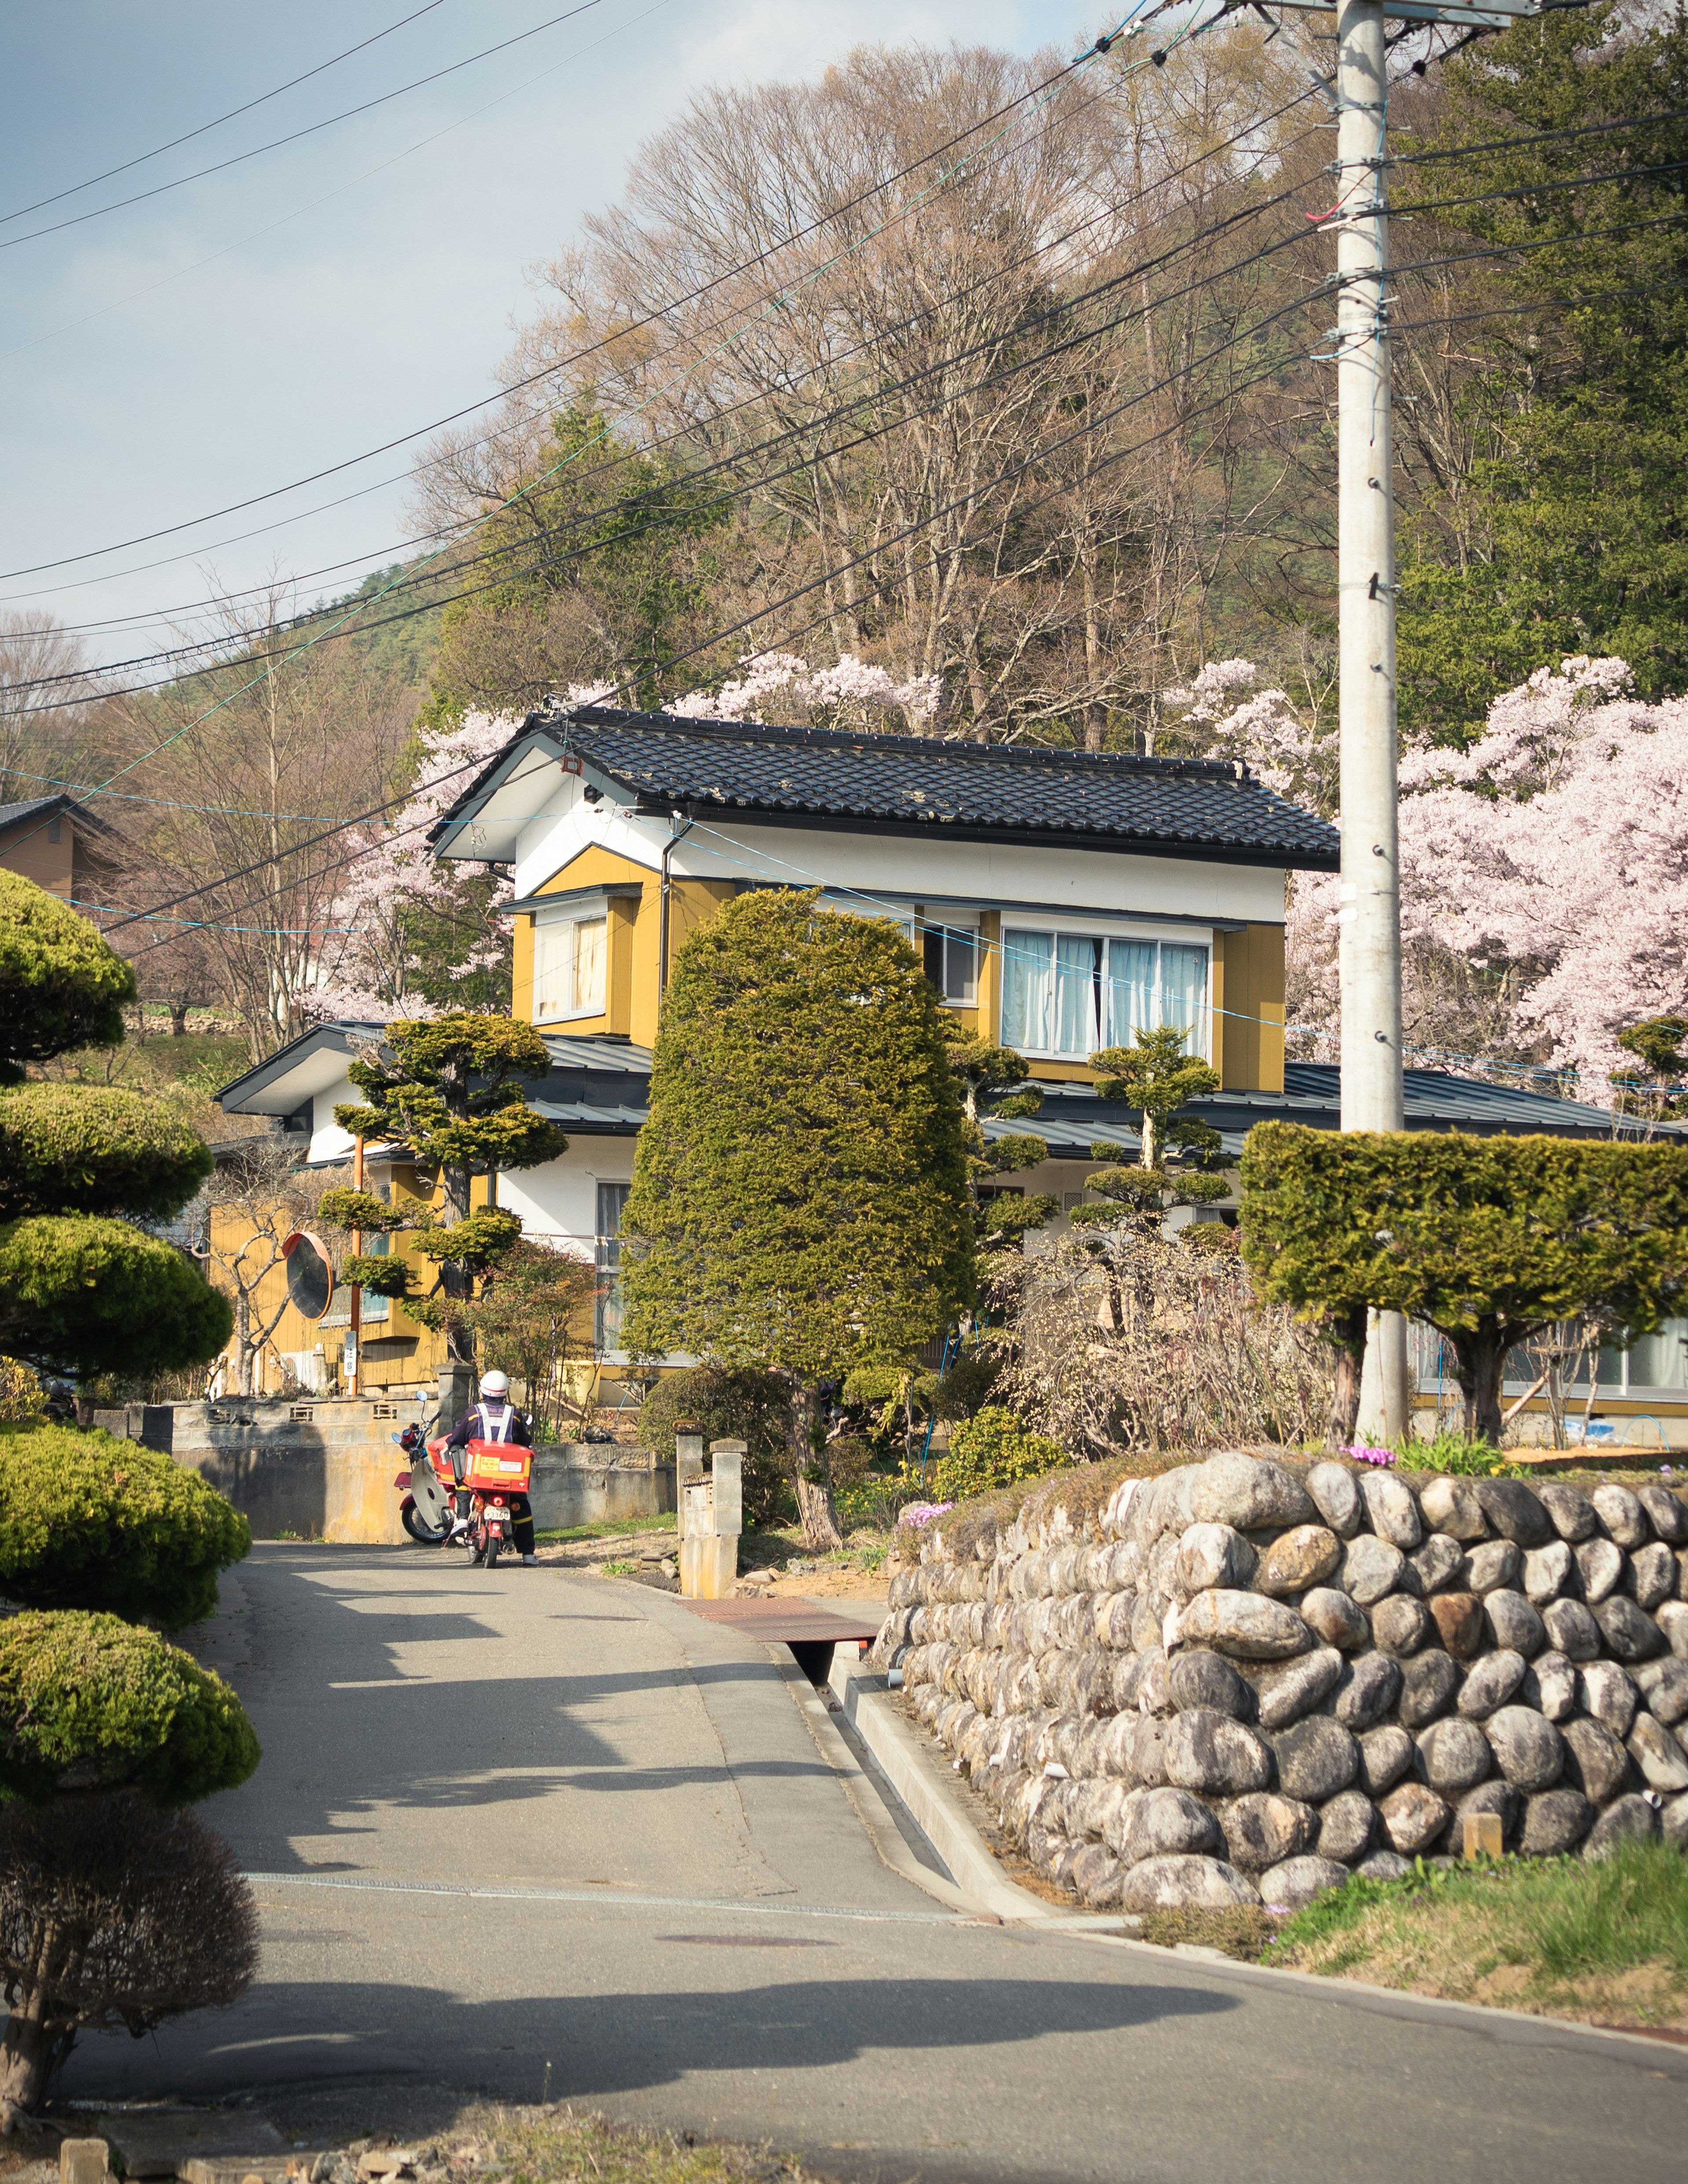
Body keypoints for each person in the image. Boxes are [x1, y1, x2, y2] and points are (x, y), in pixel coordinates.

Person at [444, 1369, 537, 1564]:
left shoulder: (472, 1414)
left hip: (480, 1477)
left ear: (483, 1390)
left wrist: (454, 1445)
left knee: (463, 1480)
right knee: (522, 1508)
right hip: (510, 1478)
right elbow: (525, 1442)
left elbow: (457, 1439)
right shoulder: (515, 1416)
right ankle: (528, 1555)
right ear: (505, 1391)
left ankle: (462, 1518)